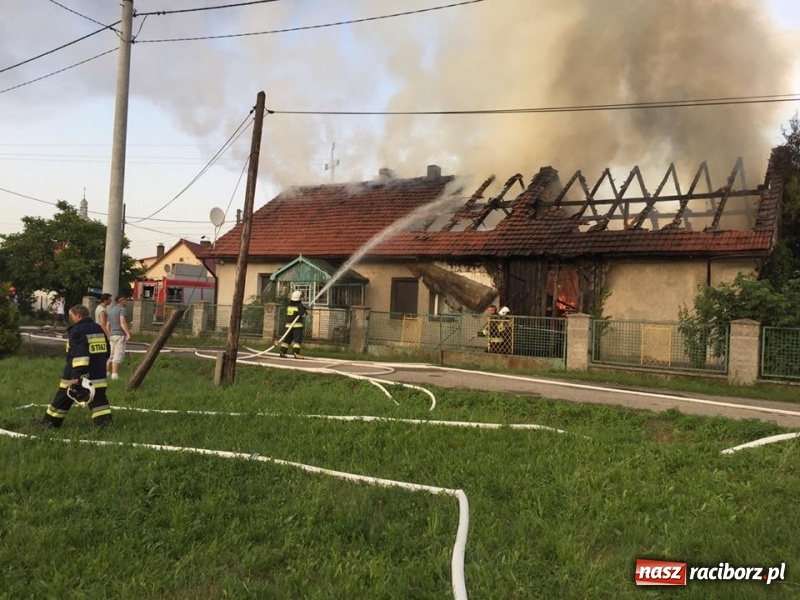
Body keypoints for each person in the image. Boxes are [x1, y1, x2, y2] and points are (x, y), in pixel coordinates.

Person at [38, 304, 112, 429]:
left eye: (73, 315)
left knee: (62, 398)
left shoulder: (77, 330)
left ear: (78, 315)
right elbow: (107, 350)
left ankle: (49, 424)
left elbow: (79, 355)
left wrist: (76, 376)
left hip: (79, 374)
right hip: (98, 373)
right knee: (99, 401)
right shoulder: (98, 328)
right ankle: (104, 426)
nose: (72, 318)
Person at [106, 294, 131, 380]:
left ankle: (107, 373)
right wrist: (127, 333)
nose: (126, 301)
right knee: (118, 355)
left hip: (112, 335)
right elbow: (122, 322)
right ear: (121, 300)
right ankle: (114, 375)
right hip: (119, 335)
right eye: (125, 300)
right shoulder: (122, 309)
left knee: (110, 355)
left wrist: (109, 334)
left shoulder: (111, 310)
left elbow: (107, 325)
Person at [279, 290, 308, 359]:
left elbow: (295, 312)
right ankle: (296, 353)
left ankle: (282, 352)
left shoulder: (290, 305)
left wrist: (304, 308)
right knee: (297, 340)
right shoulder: (299, 305)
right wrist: (305, 312)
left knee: (287, 340)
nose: (301, 298)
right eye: (300, 297)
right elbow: (303, 315)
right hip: (297, 325)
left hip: (289, 325)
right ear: (298, 298)